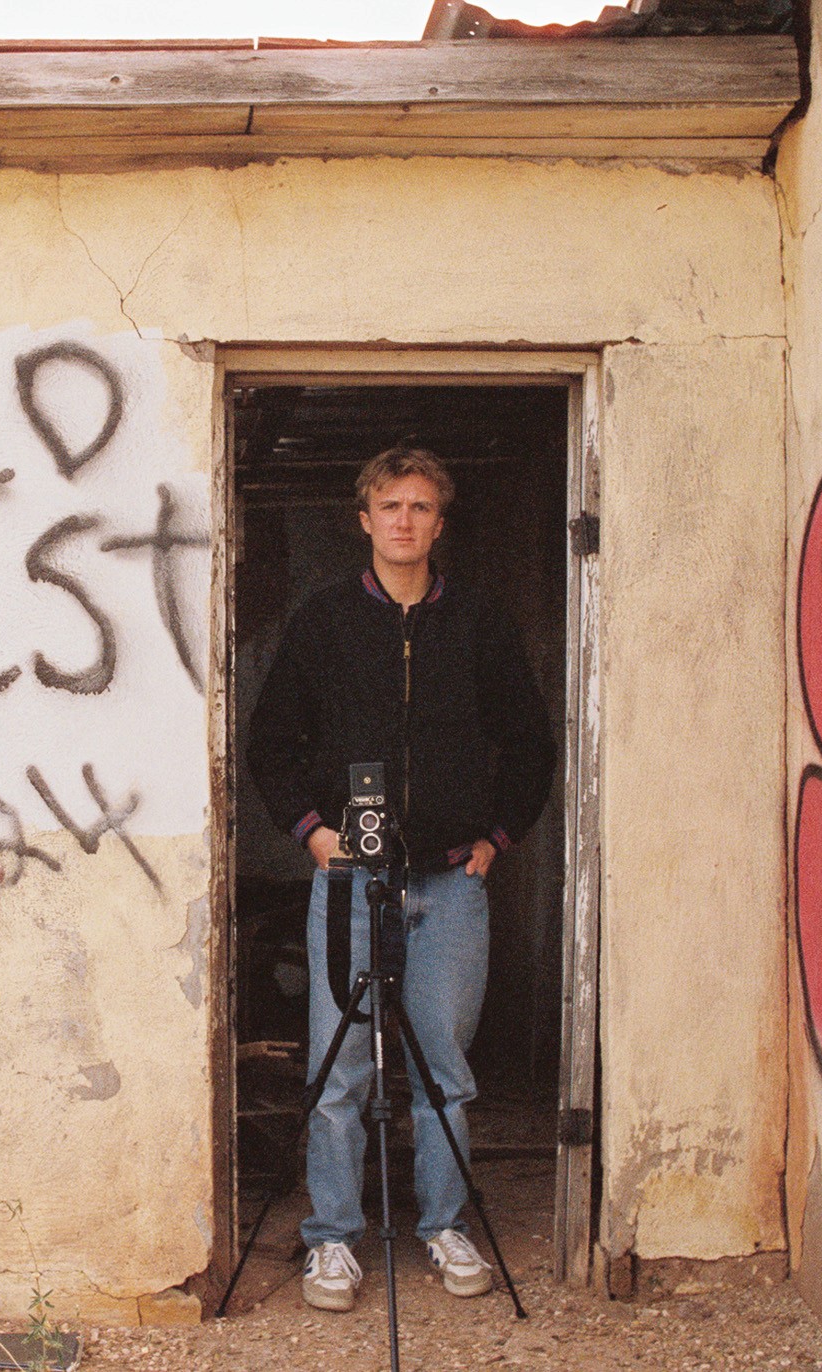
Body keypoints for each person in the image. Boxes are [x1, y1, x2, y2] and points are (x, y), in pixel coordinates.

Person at [246, 445, 554, 1312]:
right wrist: (313, 834)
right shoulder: (324, 621)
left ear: (439, 523)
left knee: (444, 1070)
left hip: (449, 884)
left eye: (420, 506)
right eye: (390, 506)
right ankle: (333, 1238)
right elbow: (271, 740)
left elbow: (530, 742)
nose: (404, 521)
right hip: (350, 884)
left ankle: (445, 1225)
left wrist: (496, 838)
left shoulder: (479, 622)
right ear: (365, 520)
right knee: (339, 1068)